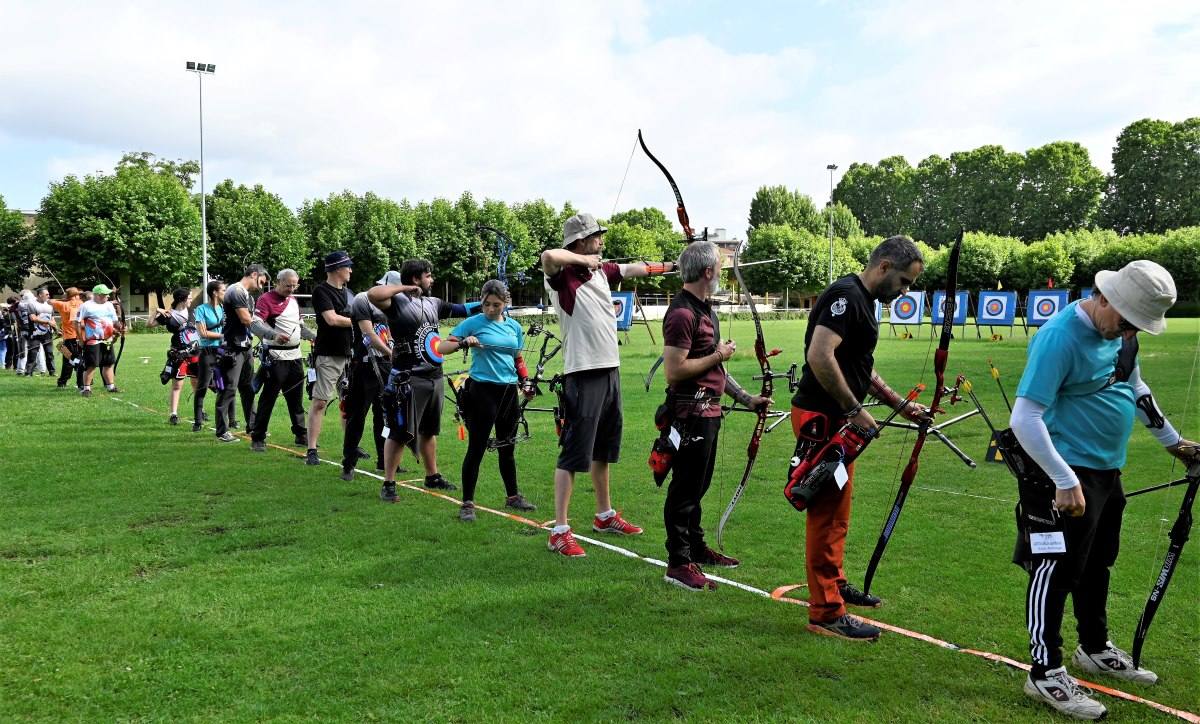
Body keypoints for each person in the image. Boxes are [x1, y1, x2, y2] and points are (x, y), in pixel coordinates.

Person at [1010, 261, 1197, 720]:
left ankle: (1092, 648)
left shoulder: (1122, 336)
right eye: (1126, 319)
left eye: (1137, 324)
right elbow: (1025, 418)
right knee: (1054, 569)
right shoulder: (1060, 338)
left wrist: (1173, 442)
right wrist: (1063, 479)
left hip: (1105, 472)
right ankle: (1045, 672)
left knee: (1097, 563)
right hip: (1060, 475)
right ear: (1103, 296)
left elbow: (1134, 386)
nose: (1129, 331)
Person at [789, 235, 928, 640]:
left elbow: (858, 368)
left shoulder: (863, 300)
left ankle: (835, 582)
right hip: (823, 419)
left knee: (839, 510)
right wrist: (853, 410)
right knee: (826, 515)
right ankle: (827, 612)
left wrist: (900, 404)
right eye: (903, 281)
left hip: (837, 420)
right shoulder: (846, 296)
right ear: (883, 266)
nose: (904, 292)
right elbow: (820, 356)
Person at [540, 212, 670, 557]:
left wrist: (672, 265)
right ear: (581, 241)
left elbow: (634, 269)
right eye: (596, 236)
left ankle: (604, 515)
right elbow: (548, 256)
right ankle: (560, 529)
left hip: (609, 370)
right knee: (573, 451)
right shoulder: (562, 277)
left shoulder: (599, 270)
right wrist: (585, 259)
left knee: (603, 449)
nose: (601, 240)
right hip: (583, 373)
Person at [658, 242, 770, 588]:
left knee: (699, 486)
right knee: (686, 489)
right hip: (689, 412)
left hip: (708, 411)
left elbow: (712, 369)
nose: (722, 272)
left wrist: (746, 398)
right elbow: (675, 371)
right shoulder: (682, 314)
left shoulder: (705, 310)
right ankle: (678, 561)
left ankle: (695, 547)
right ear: (707, 272)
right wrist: (719, 356)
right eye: (720, 267)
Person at [367, 262, 478, 502]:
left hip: (433, 375)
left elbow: (461, 309)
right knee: (399, 432)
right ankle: (388, 483)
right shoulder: (396, 303)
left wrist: (488, 302)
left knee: (429, 430)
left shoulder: (433, 303)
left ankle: (432, 475)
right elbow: (372, 294)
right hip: (407, 378)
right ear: (416, 279)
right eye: (428, 276)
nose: (432, 279)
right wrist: (403, 288)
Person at [438, 279, 539, 522]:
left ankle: (513, 497)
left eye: (496, 305)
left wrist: (525, 382)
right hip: (481, 392)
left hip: (507, 393)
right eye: (486, 304)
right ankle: (467, 504)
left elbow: (518, 358)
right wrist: (463, 342)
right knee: (476, 448)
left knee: (507, 446)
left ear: (506, 303)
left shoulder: (514, 327)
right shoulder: (473, 323)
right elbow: (441, 347)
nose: (491, 309)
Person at [248, 269, 314, 452]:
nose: (292, 289)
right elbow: (255, 324)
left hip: (295, 358)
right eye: (288, 285)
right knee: (268, 399)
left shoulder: (293, 301)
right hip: (276, 359)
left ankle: (301, 434)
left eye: (295, 285)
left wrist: (314, 336)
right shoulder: (265, 299)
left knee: (296, 399)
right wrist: (273, 334)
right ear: (278, 282)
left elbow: (300, 327)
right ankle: (258, 437)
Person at [340, 276, 396, 481]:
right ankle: (348, 464)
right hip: (365, 365)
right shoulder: (363, 300)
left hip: (386, 365)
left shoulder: (393, 303)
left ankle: (385, 460)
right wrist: (391, 352)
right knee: (357, 416)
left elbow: (390, 330)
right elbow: (369, 335)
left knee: (385, 415)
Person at [305, 250, 355, 465]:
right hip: (328, 355)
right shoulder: (321, 292)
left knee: (349, 403)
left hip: (349, 354)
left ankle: (350, 445)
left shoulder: (349, 293)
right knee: (320, 402)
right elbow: (331, 319)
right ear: (336, 269)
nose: (351, 270)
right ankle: (312, 450)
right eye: (348, 266)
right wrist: (359, 321)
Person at [217, 264, 269, 437]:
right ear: (254, 274)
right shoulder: (235, 291)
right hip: (233, 348)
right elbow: (247, 319)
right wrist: (270, 334)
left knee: (248, 388)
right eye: (261, 282)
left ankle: (253, 426)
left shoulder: (248, 296)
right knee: (229, 389)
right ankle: (222, 430)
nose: (261, 287)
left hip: (245, 347)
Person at [193, 280, 236, 442]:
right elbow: (202, 333)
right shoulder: (201, 309)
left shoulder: (225, 309)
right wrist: (224, 335)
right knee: (202, 386)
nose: (225, 293)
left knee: (226, 386)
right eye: (223, 290)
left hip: (223, 351)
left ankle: (232, 420)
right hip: (208, 352)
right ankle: (197, 420)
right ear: (214, 293)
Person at [148, 289, 198, 424]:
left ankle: (200, 411)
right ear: (182, 299)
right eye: (189, 298)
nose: (191, 300)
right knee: (177, 385)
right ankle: (173, 414)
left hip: (194, 351)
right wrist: (156, 311)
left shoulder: (193, 312)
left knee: (196, 382)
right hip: (179, 353)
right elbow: (150, 324)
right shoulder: (169, 315)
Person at [77, 283, 124, 396]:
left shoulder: (108, 305)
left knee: (108, 363)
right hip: (93, 340)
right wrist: (81, 339)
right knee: (91, 365)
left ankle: (110, 386)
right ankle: (86, 389)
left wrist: (121, 327)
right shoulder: (86, 306)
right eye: (105, 295)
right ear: (98, 295)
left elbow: (114, 321)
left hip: (107, 339)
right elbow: (77, 323)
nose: (108, 297)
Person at [51, 287, 85, 390]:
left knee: (73, 360)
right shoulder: (81, 304)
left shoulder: (63, 304)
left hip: (70, 338)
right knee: (73, 360)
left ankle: (67, 382)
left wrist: (64, 299)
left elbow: (50, 301)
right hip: (81, 337)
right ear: (75, 295)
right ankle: (79, 383)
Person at [23, 287, 56, 377]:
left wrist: (56, 329)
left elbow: (52, 319)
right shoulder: (32, 304)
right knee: (33, 353)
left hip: (47, 333)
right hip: (34, 333)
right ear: (40, 295)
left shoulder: (50, 305)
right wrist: (47, 322)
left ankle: (52, 372)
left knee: (49, 353)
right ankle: (28, 372)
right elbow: (33, 318)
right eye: (47, 294)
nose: (48, 296)